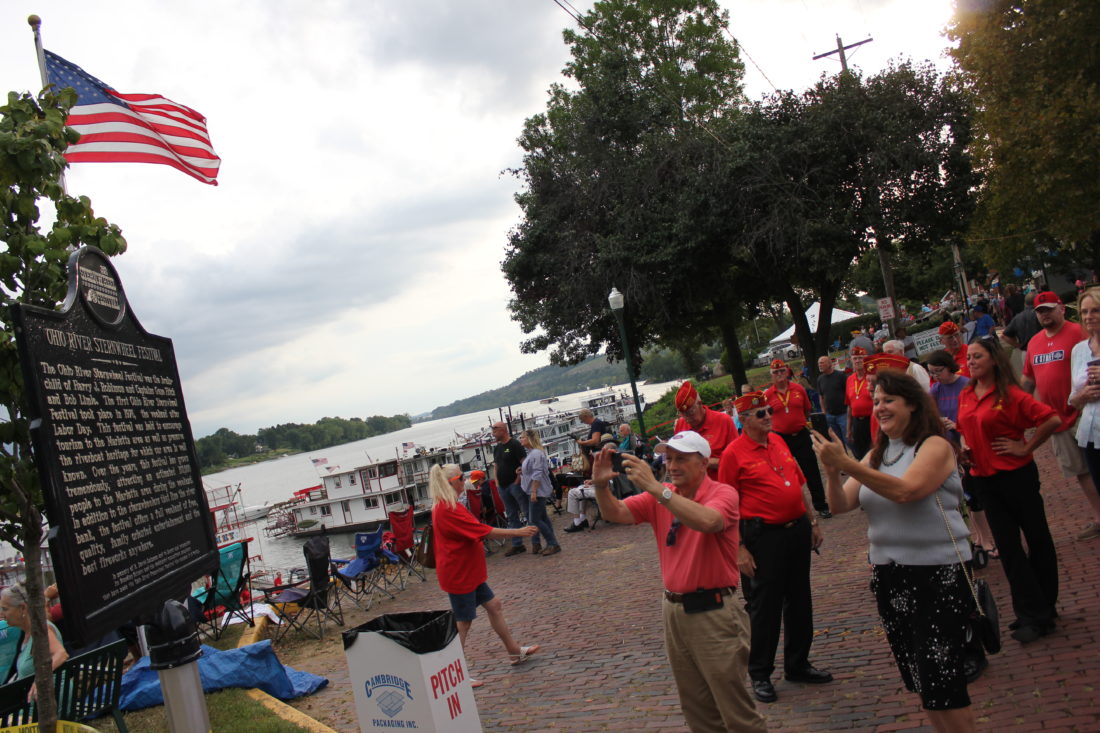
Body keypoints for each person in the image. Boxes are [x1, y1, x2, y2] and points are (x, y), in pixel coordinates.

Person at [811, 370, 978, 733]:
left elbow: (906, 491)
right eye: (875, 401)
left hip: (937, 574)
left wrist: (848, 464)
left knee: (944, 680)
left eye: (888, 400)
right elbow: (840, 505)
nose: (880, 408)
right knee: (921, 678)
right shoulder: (878, 454)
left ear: (913, 404)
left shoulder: (934, 446)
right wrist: (832, 472)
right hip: (891, 577)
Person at [590, 432, 767, 733]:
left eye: (681, 459)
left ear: (703, 462)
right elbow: (614, 512)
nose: (672, 466)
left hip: (714, 612)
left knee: (735, 710)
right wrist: (600, 486)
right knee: (697, 708)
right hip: (674, 610)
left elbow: (709, 521)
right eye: (669, 458)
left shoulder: (721, 493)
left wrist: (658, 490)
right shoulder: (664, 494)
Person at [718, 393, 831, 705]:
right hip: (763, 537)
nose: (768, 416)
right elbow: (728, 507)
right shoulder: (733, 454)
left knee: (800, 600)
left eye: (769, 410)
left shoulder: (778, 441)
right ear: (744, 420)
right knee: (765, 606)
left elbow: (798, 484)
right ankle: (760, 673)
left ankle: (798, 664)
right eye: (760, 414)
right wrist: (739, 548)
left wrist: (812, 521)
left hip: (796, 530)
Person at [956, 336, 1062, 644]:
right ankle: (1029, 610)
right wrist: (965, 447)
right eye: (969, 357)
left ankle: (1044, 609)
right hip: (984, 480)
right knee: (1009, 548)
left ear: (993, 359)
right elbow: (965, 427)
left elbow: (1051, 419)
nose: (971, 362)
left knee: (1037, 539)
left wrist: (1025, 446)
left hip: (1017, 477)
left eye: (977, 356)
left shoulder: (1011, 394)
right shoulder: (966, 393)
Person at [428, 464, 540, 686]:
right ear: (451, 483)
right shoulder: (447, 508)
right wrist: (517, 532)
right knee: (463, 622)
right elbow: (484, 531)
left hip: (467, 571)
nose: (465, 481)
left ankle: (514, 651)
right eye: (461, 478)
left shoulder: (448, 505)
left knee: (494, 606)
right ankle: (456, 675)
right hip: (459, 574)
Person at [1021, 291, 1100, 540]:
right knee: (1082, 470)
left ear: (1061, 309)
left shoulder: (1078, 332)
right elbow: (1028, 379)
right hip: (1058, 418)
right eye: (1040, 311)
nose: (1044, 314)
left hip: (1084, 414)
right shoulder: (1035, 342)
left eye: (1048, 309)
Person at [926, 350, 995, 559]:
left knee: (979, 493)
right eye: (931, 373)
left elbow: (979, 414)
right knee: (967, 495)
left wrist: (958, 425)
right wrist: (939, 423)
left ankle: (988, 538)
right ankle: (980, 537)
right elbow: (930, 417)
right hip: (951, 448)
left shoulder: (966, 385)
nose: (935, 376)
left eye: (938, 371)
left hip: (971, 444)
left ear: (949, 367)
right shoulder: (935, 390)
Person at [764, 360, 830, 517]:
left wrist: (797, 422)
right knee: (785, 474)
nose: (779, 374)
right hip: (780, 439)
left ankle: (821, 505)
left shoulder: (798, 389)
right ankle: (794, 509)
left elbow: (807, 410)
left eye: (782, 371)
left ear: (787, 372)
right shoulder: (767, 395)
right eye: (776, 372)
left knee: (812, 471)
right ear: (772, 375)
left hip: (801, 435)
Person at [1069, 287, 1100, 538]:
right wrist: (1082, 396)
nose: (1089, 316)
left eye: (1095, 311)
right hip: (1091, 433)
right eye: (1084, 312)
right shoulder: (1079, 350)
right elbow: (1073, 398)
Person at [1, 583, 68, 687]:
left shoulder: (40, 629)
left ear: (22, 608)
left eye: (5, 609)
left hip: (51, 694)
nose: (1, 614)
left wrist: (40, 679)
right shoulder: (26, 632)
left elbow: (61, 654)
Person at [673, 381, 738, 479]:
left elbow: (737, 459)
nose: (687, 419)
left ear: (700, 403)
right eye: (683, 414)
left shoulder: (724, 421)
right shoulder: (680, 424)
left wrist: (705, 462)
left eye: (691, 413)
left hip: (721, 483)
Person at [518, 429, 562, 555]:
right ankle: (551, 543)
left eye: (523, 437)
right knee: (543, 517)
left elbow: (538, 473)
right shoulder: (532, 453)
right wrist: (522, 471)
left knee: (535, 519)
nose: (521, 439)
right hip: (534, 490)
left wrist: (533, 491)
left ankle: (553, 543)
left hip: (538, 491)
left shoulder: (536, 453)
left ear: (529, 439)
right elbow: (534, 471)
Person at [491, 421, 530, 557]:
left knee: (527, 512)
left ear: (503, 430)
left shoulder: (515, 444)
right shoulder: (497, 448)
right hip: (503, 487)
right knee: (512, 515)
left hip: (515, 485)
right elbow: (496, 466)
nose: (493, 432)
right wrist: (497, 483)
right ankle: (517, 544)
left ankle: (536, 540)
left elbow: (524, 463)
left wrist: (517, 480)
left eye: (495, 429)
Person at [846, 347, 874, 459]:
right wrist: (849, 429)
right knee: (861, 455)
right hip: (857, 423)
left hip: (872, 419)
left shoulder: (872, 377)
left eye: (860, 358)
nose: (857, 361)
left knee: (875, 452)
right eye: (855, 358)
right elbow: (849, 406)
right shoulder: (850, 379)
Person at [816, 355, 849, 449]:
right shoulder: (820, 379)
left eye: (822, 363)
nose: (820, 365)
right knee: (837, 442)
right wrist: (824, 411)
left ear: (829, 364)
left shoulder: (840, 376)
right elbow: (821, 396)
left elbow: (848, 392)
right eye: (819, 363)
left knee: (848, 440)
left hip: (843, 414)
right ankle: (843, 457)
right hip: (830, 416)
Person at [575, 408, 609, 476]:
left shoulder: (596, 424)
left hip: (599, 452)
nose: (584, 422)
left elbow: (595, 440)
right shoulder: (596, 423)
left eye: (583, 420)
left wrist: (581, 443)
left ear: (586, 417)